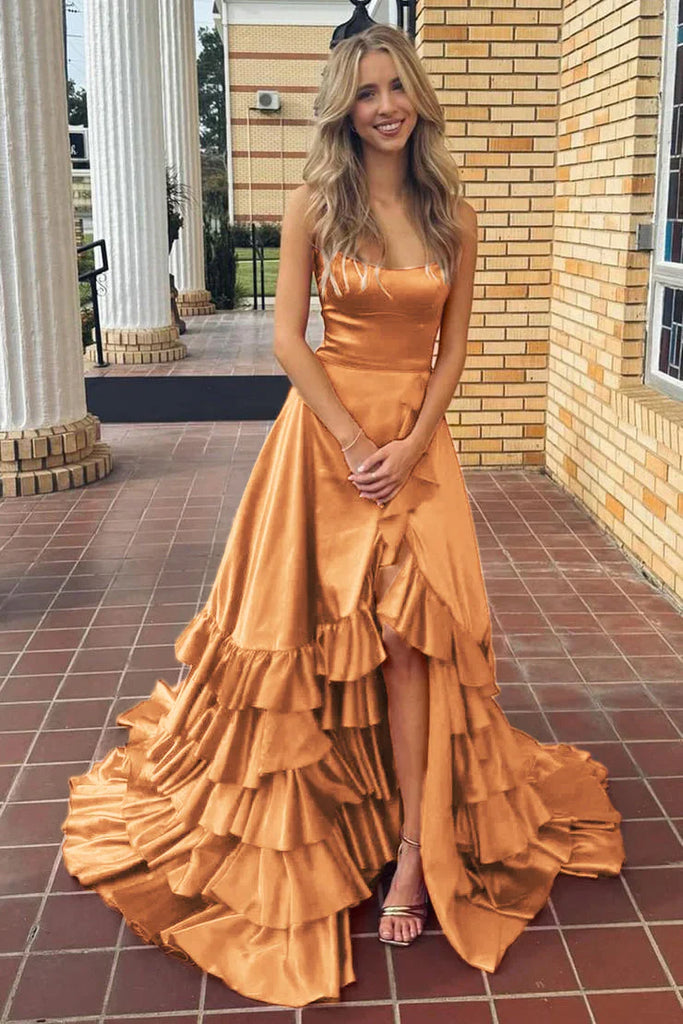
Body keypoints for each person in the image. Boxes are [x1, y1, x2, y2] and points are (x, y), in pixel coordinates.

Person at [61, 22, 625, 1009]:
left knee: (409, 643)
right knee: (312, 638)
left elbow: (452, 349)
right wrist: (356, 442)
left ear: (417, 98)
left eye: (396, 87)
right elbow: (288, 338)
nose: (384, 106)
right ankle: (326, 817)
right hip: (325, 443)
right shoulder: (316, 202)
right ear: (343, 107)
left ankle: (410, 847)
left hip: (416, 450)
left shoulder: (453, 213)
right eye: (365, 92)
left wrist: (409, 444)